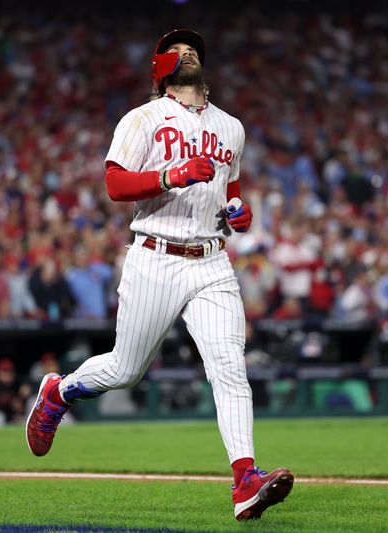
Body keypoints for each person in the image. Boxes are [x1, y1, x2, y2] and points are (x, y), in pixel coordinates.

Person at [25, 29, 293, 521]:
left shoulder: (231, 127)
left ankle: (245, 481)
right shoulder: (143, 118)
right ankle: (58, 392)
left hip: (212, 260)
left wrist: (238, 214)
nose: (187, 52)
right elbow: (114, 183)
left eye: (193, 49)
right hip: (156, 254)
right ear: (160, 68)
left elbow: (231, 192)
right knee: (127, 370)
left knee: (229, 366)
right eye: (176, 49)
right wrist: (169, 175)